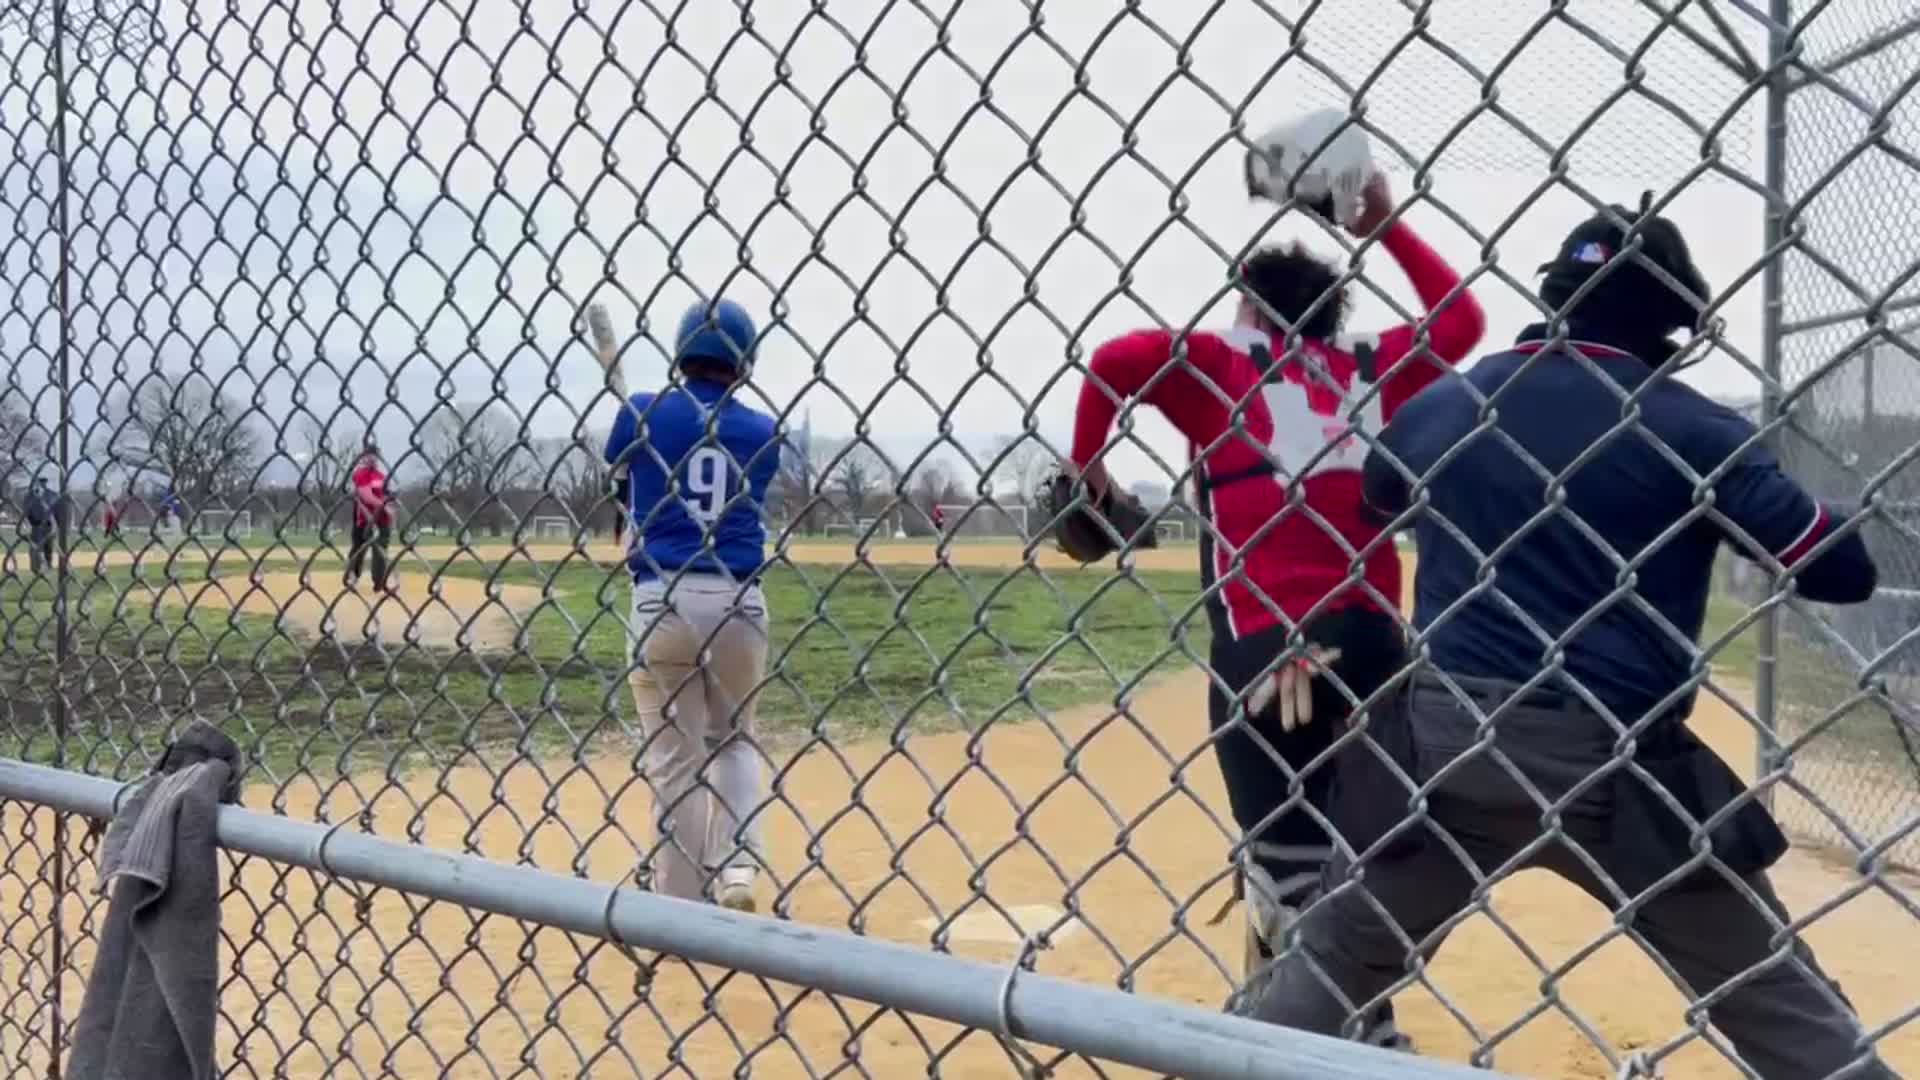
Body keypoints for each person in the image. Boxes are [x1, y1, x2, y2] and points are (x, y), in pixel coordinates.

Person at [1233, 198, 1892, 1079]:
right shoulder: (1689, 423)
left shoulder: (1445, 406)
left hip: (1444, 747)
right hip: (1611, 764)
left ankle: (1234, 1058)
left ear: (1556, 296)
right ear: (1676, 323)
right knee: (1779, 1006)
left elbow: (1380, 497)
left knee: (1322, 976)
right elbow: (1836, 570)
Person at [1068, 172, 1483, 1048]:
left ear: (1247, 305)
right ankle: (1312, 987)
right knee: (1359, 859)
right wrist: (1384, 224)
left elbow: (1110, 362)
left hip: (1268, 649)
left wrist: (1090, 468)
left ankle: (1355, 1033)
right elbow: (1463, 324)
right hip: (1376, 643)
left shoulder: (1220, 359)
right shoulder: (1370, 365)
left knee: (1288, 865)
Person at [603, 297, 781, 912]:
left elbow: (621, 470)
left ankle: (676, 898)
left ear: (681, 354)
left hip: (661, 599)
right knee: (733, 739)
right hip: (738, 598)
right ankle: (736, 870)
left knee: (675, 755)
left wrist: (628, 474)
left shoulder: (642, 412)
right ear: (744, 362)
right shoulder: (764, 431)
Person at [346, 445, 395, 592]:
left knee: (381, 550)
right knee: (359, 547)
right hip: (365, 519)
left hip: (382, 520)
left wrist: (389, 508)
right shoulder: (360, 474)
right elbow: (365, 495)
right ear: (363, 457)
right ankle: (353, 574)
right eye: (369, 455)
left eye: (375, 455)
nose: (372, 458)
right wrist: (383, 505)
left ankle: (379, 581)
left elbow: (386, 495)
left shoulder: (381, 476)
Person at [22, 477, 56, 574]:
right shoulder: (30, 495)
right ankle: (35, 568)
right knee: (35, 546)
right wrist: (31, 520)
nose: (42, 483)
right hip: (36, 524)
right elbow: (26, 509)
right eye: (40, 481)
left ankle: (48, 565)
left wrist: (53, 521)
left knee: (48, 547)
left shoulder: (51, 494)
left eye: (44, 481)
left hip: (48, 524)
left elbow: (55, 508)